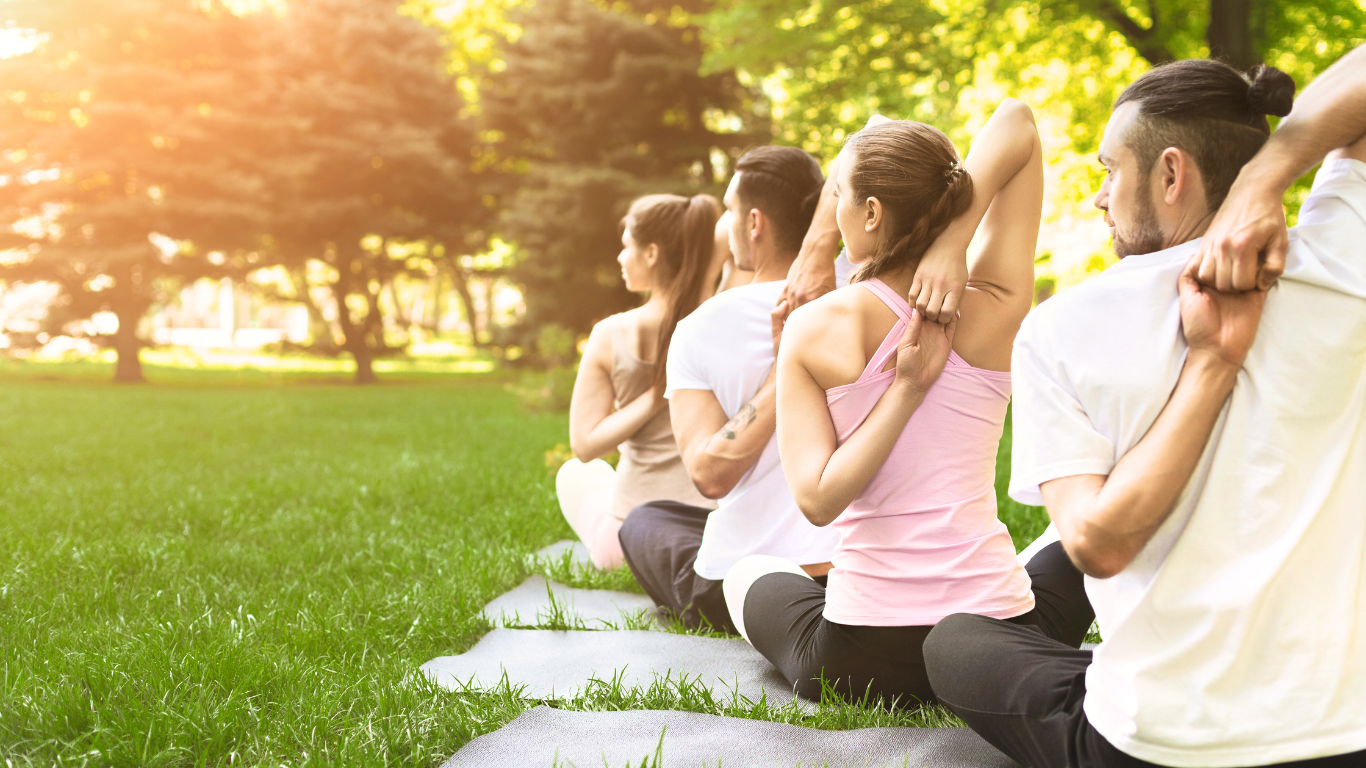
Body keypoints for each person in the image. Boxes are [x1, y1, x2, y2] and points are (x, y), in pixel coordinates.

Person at [923, 47, 1366, 768]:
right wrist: (1269, 179)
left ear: (1169, 173)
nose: (1097, 196)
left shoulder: (1061, 330)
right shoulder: (1345, 262)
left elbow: (1097, 544)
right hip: (1346, 739)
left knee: (958, 642)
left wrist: (1213, 363)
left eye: (1108, 170)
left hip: (1161, 749)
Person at [721, 101, 1093, 708]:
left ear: (870, 212)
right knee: (1075, 536)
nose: (835, 212)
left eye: (840, 195)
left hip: (860, 658)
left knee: (748, 574)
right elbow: (1018, 123)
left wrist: (904, 390)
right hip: (1004, 640)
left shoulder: (812, 328)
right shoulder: (992, 303)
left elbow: (817, 502)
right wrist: (956, 242)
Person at [618, 146, 840, 632]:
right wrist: (824, 243)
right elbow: (876, 135)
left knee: (643, 523)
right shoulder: (868, 294)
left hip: (749, 586)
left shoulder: (700, 327)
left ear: (754, 223)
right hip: (856, 572)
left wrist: (787, 371)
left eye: (730, 211)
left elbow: (708, 475)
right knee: (673, 516)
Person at [556, 193, 725, 570]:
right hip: (708, 531)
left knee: (576, 475)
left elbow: (584, 447)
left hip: (627, 543)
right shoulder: (717, 320)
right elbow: (727, 229)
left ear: (651, 253)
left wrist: (652, 396)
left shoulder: (609, 334)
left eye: (626, 245)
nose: (620, 257)